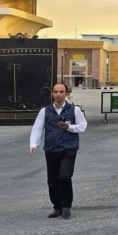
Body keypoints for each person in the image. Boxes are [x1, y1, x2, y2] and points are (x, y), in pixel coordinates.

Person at [28, 82, 87, 219]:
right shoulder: (45, 111)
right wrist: (33, 144)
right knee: (53, 180)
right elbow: (37, 128)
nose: (58, 94)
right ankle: (57, 206)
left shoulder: (74, 110)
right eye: (56, 92)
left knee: (64, 176)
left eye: (61, 92)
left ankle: (66, 205)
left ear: (66, 93)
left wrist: (69, 127)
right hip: (52, 148)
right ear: (52, 93)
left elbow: (83, 126)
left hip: (69, 147)